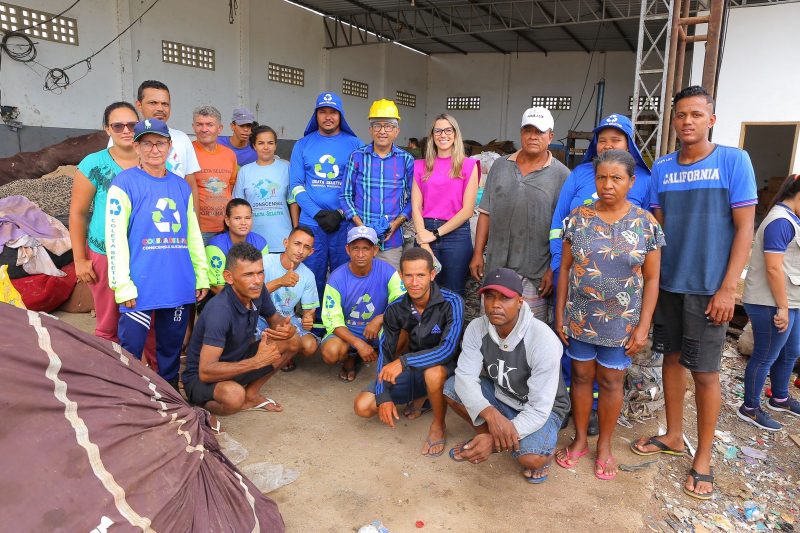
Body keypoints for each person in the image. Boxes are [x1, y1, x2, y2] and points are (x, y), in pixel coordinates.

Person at [631, 86, 757, 501]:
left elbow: (744, 229)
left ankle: (702, 458)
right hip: (667, 285)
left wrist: (727, 288)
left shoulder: (733, 161)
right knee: (670, 360)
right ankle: (671, 434)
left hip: (708, 290)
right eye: (681, 115)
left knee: (704, 372)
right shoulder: (663, 167)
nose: (687, 121)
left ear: (711, 119)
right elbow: (658, 229)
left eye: (696, 114)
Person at [554, 150, 665, 480]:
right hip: (581, 317)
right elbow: (566, 270)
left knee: (612, 380)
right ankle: (578, 441)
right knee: (582, 378)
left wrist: (643, 326)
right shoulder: (578, 218)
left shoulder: (646, 223)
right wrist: (560, 314)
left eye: (616, 178)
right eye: (602, 177)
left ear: (631, 182)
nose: (608, 184)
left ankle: (604, 445)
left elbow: (653, 277)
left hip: (621, 323)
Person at [548, 113, 653, 435]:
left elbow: (651, 262)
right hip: (579, 294)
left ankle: (597, 413)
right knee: (575, 362)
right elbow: (559, 224)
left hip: (619, 309)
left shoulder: (645, 183)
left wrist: (643, 323)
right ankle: (568, 407)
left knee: (610, 373)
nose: (608, 184)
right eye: (603, 139)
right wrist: (556, 267)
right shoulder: (580, 175)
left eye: (616, 139)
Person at [105, 118, 209, 390]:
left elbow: (193, 234)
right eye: (147, 143)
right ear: (137, 147)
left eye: (160, 143)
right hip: (139, 287)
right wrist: (122, 285)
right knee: (131, 349)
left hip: (177, 283)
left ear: (170, 146)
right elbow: (114, 238)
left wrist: (201, 275)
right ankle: (130, 400)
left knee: (171, 349)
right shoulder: (123, 183)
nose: (154, 149)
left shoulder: (181, 186)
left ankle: (170, 399)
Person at [444, 268, 570, 484]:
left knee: (531, 459)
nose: (495, 304)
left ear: (520, 301)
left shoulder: (542, 339)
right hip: (502, 396)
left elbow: (540, 409)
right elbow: (465, 376)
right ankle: (493, 436)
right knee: (452, 388)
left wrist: (492, 441)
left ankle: (502, 444)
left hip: (544, 409)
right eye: (490, 296)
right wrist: (492, 416)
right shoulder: (477, 327)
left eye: (505, 298)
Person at [354, 247, 463, 457]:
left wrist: (403, 362)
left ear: (432, 275)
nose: (415, 282)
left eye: (421, 275)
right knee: (363, 406)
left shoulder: (452, 302)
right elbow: (386, 354)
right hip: (412, 369)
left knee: (434, 373)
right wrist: (383, 395)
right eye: (409, 276)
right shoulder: (395, 308)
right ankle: (424, 398)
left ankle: (439, 424)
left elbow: (447, 349)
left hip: (444, 371)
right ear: (401, 276)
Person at [470, 107, 569, 322]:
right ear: (521, 133)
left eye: (540, 131)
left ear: (550, 136)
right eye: (528, 130)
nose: (533, 136)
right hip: (496, 265)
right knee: (492, 326)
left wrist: (553, 269)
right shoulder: (500, 166)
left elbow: (563, 230)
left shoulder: (562, 175)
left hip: (534, 272)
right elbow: (485, 213)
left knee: (528, 333)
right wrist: (478, 253)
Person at [182, 242, 301, 420]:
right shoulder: (220, 311)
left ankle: (251, 396)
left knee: (293, 341)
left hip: (237, 361)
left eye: (260, 272)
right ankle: (201, 405)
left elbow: (275, 319)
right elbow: (206, 371)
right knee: (234, 396)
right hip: (202, 378)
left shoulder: (258, 292)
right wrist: (256, 362)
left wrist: (287, 330)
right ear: (229, 277)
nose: (258, 281)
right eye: (248, 275)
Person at [289, 92, 362, 329]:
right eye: (323, 111)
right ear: (316, 114)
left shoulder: (355, 144)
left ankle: (342, 326)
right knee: (312, 276)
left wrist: (341, 213)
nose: (328, 117)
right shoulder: (303, 145)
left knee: (344, 275)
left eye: (333, 112)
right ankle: (314, 326)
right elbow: (296, 185)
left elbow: (360, 185)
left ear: (340, 115)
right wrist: (319, 213)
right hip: (312, 224)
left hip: (345, 224)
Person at [69, 102, 140, 342]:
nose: (126, 130)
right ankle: (109, 373)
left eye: (132, 124)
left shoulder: (154, 161)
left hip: (145, 253)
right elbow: (78, 213)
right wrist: (80, 259)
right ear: (107, 129)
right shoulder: (94, 164)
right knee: (109, 324)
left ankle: (147, 375)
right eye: (118, 125)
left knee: (145, 319)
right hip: (105, 253)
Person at [738, 174, 800, 431]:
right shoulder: (780, 221)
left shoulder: (792, 219)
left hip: (789, 299)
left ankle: (780, 397)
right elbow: (773, 269)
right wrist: (782, 308)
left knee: (790, 352)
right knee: (765, 355)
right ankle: (749, 408)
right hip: (771, 301)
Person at [320, 226, 405, 381]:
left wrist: (379, 319)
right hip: (348, 329)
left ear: (375, 250)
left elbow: (402, 304)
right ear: (347, 249)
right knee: (330, 352)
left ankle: (388, 367)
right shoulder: (336, 278)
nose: (360, 254)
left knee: (404, 333)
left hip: (378, 328)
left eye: (366, 248)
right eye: (355, 248)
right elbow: (333, 320)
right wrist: (358, 343)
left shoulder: (388, 271)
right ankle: (351, 356)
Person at [340, 99, 414, 271]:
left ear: (396, 131)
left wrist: (396, 223)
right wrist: (362, 227)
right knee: (359, 285)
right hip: (359, 241)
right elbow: (345, 195)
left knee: (391, 289)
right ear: (370, 130)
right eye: (377, 125)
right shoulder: (357, 157)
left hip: (391, 242)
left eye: (388, 126)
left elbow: (414, 199)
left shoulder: (406, 160)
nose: (382, 131)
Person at [411, 114, 479, 296]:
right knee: (423, 291)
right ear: (432, 135)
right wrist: (423, 238)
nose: (443, 135)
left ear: (455, 134)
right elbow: (416, 206)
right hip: (425, 231)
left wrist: (434, 234)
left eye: (448, 130)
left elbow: (467, 211)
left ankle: (451, 326)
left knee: (453, 292)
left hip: (455, 236)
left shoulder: (469, 166)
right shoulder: (420, 166)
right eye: (438, 130)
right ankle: (426, 326)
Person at [111, 80, 201, 207]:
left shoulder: (182, 139)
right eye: (153, 103)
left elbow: (191, 186)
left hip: (175, 216)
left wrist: (194, 224)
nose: (160, 108)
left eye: (165, 104)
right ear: (139, 105)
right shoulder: (123, 137)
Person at [263, 226, 320, 370]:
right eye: (297, 244)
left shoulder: (308, 276)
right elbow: (248, 295)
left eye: (306, 247)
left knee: (310, 345)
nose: (301, 251)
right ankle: (279, 353)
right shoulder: (264, 262)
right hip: (260, 317)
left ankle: (284, 353)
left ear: (311, 252)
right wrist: (280, 281)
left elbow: (309, 312)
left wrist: (308, 318)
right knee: (260, 341)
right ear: (285, 242)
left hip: (287, 320)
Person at [233, 125, 294, 253]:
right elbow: (237, 205)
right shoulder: (245, 171)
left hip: (282, 239)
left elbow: (293, 202)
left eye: (270, 143)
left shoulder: (287, 169)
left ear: (276, 145)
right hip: (252, 240)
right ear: (254, 146)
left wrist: (296, 229)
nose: (266, 147)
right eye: (261, 143)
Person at [191, 105, 238, 244]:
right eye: (199, 124)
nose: (204, 129)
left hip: (226, 227)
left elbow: (230, 186)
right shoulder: (187, 152)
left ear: (220, 128)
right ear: (193, 127)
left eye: (210, 125)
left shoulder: (229, 154)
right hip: (199, 228)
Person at [206, 199, 269, 294]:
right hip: (224, 299)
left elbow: (263, 279)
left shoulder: (260, 243)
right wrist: (243, 299)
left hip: (254, 296)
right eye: (237, 218)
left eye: (247, 218)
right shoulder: (216, 246)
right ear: (227, 220)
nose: (243, 223)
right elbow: (217, 287)